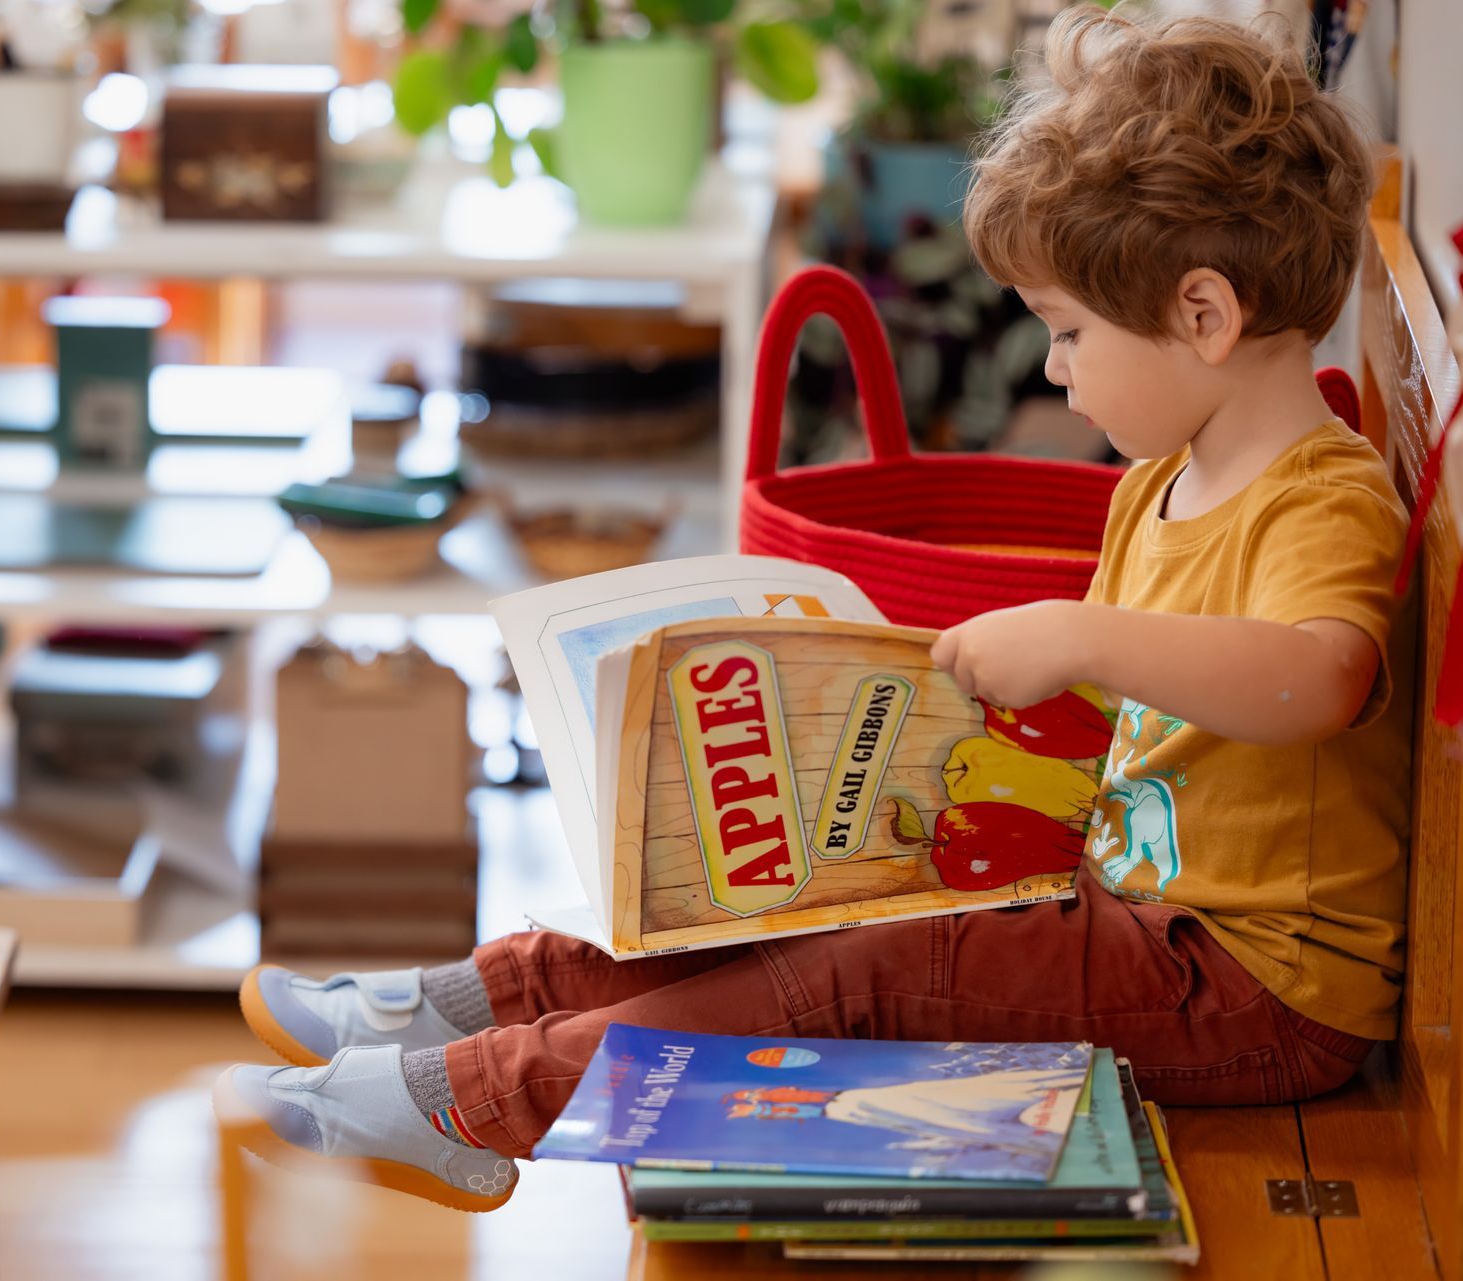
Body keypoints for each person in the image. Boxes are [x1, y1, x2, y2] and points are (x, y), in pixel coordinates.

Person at [212, 4, 1408, 1213]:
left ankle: (474, 1097)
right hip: (1124, 911)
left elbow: (1319, 678)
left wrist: (1081, 636)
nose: (1054, 369)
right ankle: (488, 997)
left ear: (1201, 316)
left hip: (1255, 994)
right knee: (802, 903)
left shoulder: (1321, 497)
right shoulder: (1158, 483)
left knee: (859, 975)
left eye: (1068, 333)